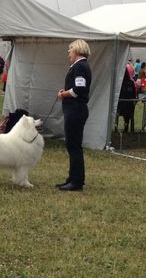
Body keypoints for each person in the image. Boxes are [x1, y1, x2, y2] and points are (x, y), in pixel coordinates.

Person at [56, 39, 92, 192]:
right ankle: (72, 178)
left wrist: (64, 93)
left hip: (76, 110)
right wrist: (66, 91)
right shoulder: (78, 66)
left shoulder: (80, 66)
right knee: (72, 145)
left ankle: (77, 182)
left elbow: (79, 89)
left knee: (74, 146)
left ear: (77, 50)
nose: (68, 53)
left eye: (70, 50)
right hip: (74, 110)